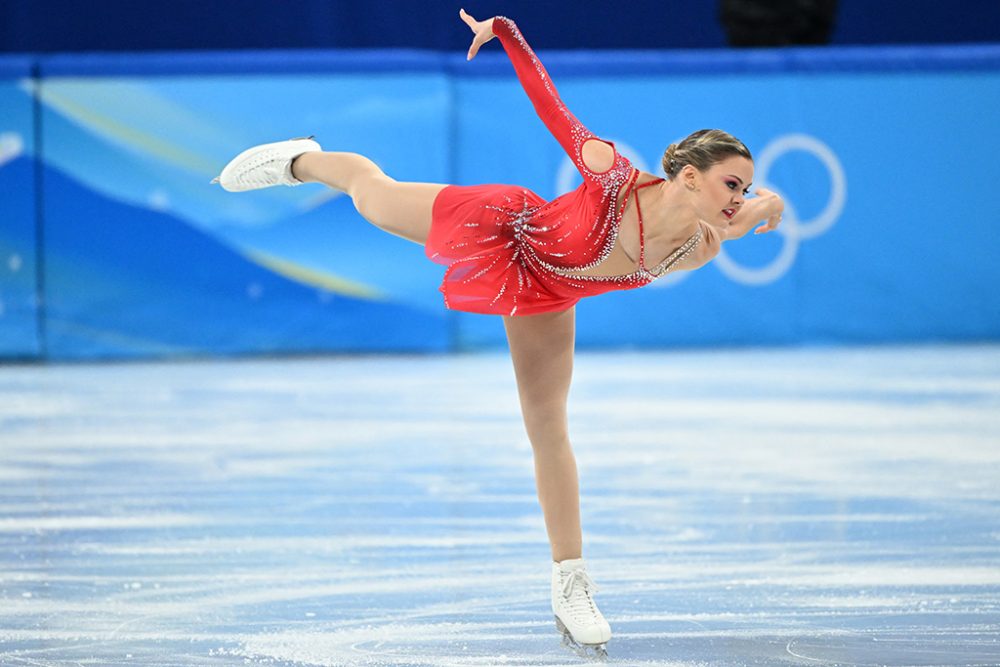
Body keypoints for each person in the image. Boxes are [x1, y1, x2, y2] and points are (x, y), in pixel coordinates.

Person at [214, 9, 784, 655]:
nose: (739, 196)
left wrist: (768, 204)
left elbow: (740, 220)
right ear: (688, 176)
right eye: (731, 183)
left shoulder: (703, 238)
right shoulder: (611, 174)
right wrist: (508, 33)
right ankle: (305, 161)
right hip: (505, 229)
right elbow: (552, 105)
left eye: (745, 186)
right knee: (375, 199)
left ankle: (571, 582)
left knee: (548, 426)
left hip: (549, 293)